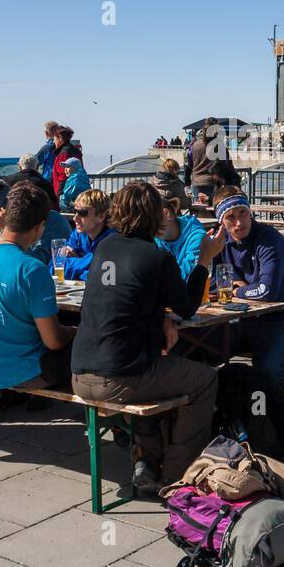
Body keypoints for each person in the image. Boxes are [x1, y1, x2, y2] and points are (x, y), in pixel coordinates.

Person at [71, 182, 227, 493]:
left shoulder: (105, 248)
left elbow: (127, 297)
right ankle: (176, 474)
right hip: (119, 378)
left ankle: (146, 461)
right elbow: (186, 306)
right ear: (155, 215)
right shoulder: (156, 258)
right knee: (205, 379)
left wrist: (161, 318)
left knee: (153, 371)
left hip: (79, 372)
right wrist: (205, 260)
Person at [0, 182, 76, 391]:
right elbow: (54, 341)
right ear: (41, 226)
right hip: (24, 371)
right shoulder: (32, 269)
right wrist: (75, 331)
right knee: (94, 345)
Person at [211, 187, 284, 394]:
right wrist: (206, 253)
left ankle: (268, 419)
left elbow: (267, 291)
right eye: (230, 217)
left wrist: (236, 291)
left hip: (282, 319)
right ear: (221, 221)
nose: (239, 222)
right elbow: (208, 285)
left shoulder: (268, 238)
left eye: (243, 213)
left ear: (250, 211)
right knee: (193, 352)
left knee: (267, 375)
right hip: (239, 320)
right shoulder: (220, 244)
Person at [57, 189, 114, 281]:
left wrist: (75, 263)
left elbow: (102, 277)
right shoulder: (78, 234)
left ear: (101, 216)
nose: (75, 218)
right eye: (75, 211)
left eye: (82, 213)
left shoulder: (113, 240)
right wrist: (88, 263)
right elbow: (54, 265)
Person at [156, 195, 207, 281]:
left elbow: (190, 275)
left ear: (167, 214)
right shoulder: (155, 237)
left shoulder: (196, 235)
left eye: (150, 220)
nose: (147, 226)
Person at [49, 126, 82, 197]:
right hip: (76, 190)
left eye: (54, 139)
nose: (54, 141)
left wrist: (59, 195)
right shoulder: (76, 151)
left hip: (65, 194)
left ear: (60, 138)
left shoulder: (63, 154)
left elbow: (63, 176)